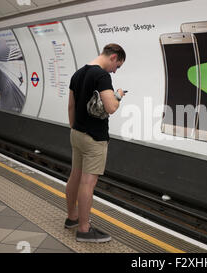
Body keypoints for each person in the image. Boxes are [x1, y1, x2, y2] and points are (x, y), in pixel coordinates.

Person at [65, 43, 126, 243]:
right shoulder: (101, 76)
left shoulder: (78, 74)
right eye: (117, 66)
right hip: (94, 138)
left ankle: (72, 219)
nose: (115, 70)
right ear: (113, 57)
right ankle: (84, 229)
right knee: (87, 183)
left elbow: (71, 106)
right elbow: (110, 108)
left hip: (77, 133)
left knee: (75, 176)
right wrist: (118, 96)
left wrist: (75, 129)